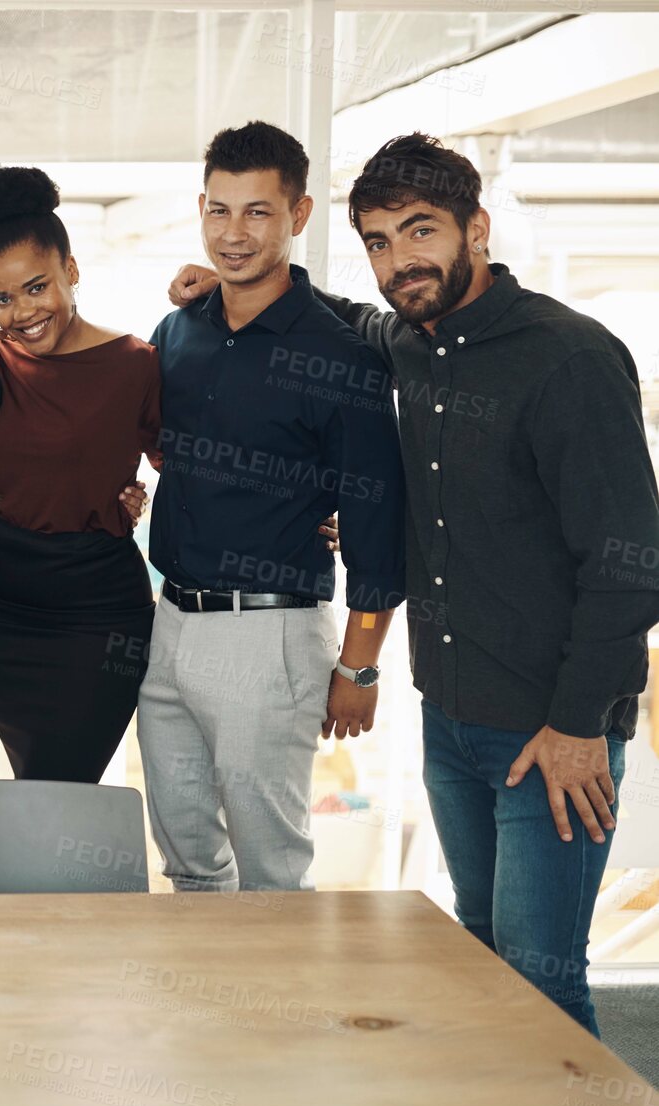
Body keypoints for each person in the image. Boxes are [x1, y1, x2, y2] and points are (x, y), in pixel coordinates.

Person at [171, 132, 659, 1034]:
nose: (402, 259)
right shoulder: (406, 338)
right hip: (450, 718)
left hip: (551, 730)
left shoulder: (567, 358)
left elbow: (630, 565)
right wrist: (226, 281)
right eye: (380, 240)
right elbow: (340, 318)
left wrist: (579, 724)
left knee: (541, 986)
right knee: (478, 961)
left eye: (421, 231)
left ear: (476, 228)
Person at [137, 121, 405, 895]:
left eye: (257, 212)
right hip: (170, 621)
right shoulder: (177, 328)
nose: (233, 233)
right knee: (186, 857)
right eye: (218, 211)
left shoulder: (338, 354)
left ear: (298, 215)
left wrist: (359, 664)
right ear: (199, 209)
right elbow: (161, 442)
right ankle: (210, 1017)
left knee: (271, 875)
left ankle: (284, 1018)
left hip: (270, 633)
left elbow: (375, 528)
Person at [0, 167, 161, 783]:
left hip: (99, 611)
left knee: (68, 786)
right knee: (33, 783)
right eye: (3, 297)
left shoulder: (136, 365)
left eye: (37, 287)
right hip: (2, 603)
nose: (22, 312)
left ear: (71, 270)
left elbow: (196, 465)